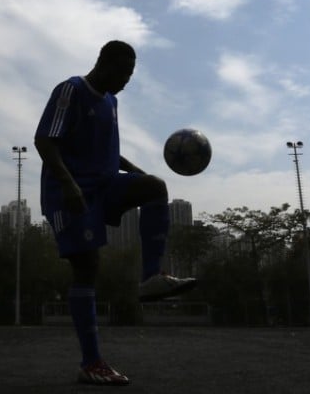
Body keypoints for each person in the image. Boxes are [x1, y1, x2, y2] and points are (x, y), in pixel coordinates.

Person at [34, 40, 197, 386]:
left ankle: (151, 276)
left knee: (154, 186)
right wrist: (69, 185)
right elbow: (45, 141)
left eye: (130, 74)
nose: (126, 80)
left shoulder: (112, 102)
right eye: (123, 72)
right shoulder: (72, 90)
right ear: (104, 64)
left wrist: (135, 170)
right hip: (70, 193)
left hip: (105, 186)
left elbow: (107, 152)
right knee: (87, 267)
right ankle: (91, 363)